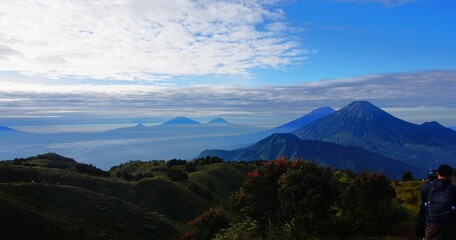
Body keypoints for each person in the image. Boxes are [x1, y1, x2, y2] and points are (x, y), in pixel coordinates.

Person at [425, 164, 456, 240]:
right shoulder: (453, 189)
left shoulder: (429, 186)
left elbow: (424, 198)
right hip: (450, 222)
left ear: (437, 173)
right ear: (450, 175)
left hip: (432, 221)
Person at [415, 169, 437, 239]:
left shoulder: (425, 185)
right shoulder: (439, 186)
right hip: (436, 207)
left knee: (423, 219)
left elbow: (421, 195)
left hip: (425, 205)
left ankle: (423, 235)